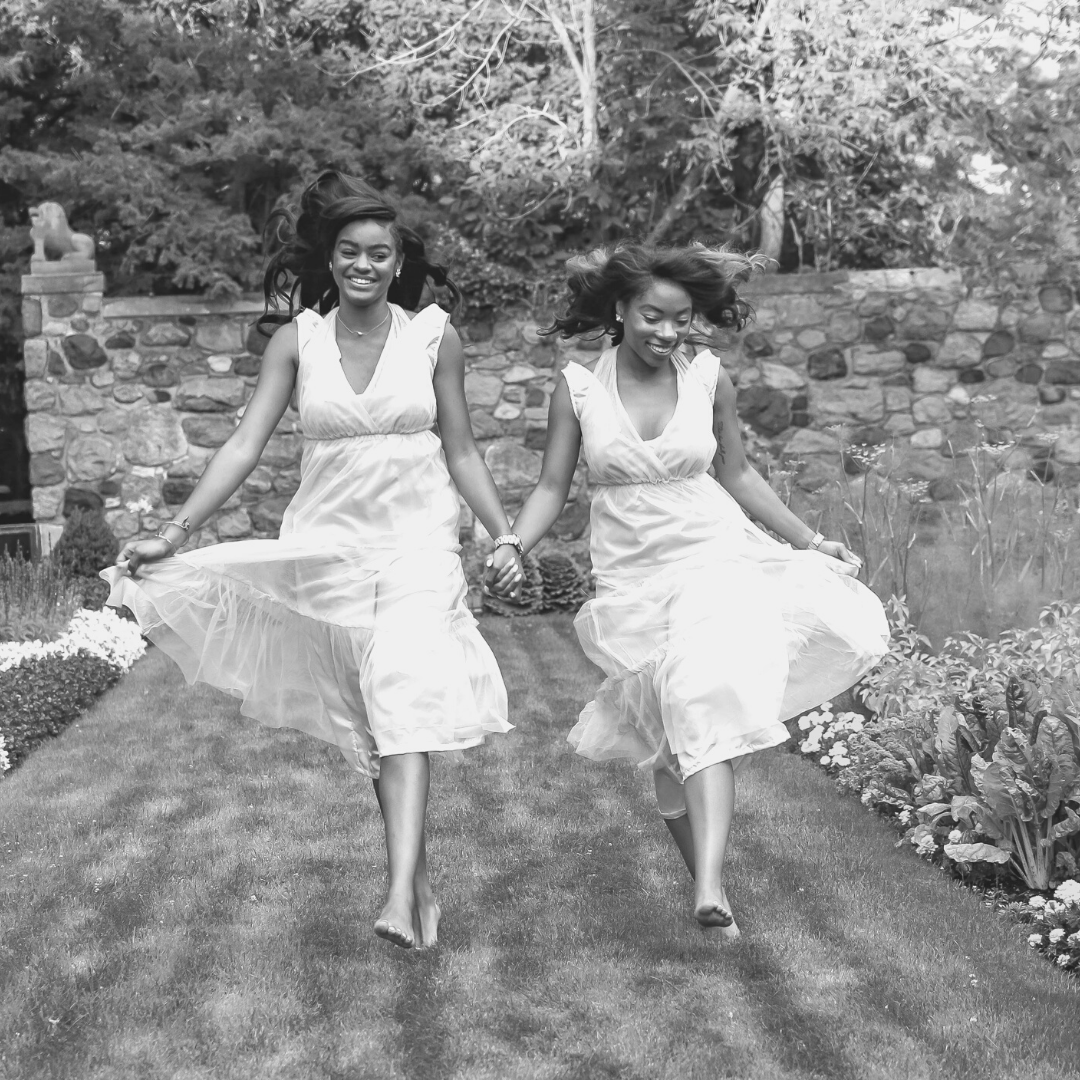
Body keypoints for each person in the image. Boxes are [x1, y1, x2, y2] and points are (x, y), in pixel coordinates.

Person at [103, 171, 524, 950]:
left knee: (401, 690)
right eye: (350, 251)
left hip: (419, 541)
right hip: (329, 547)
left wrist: (503, 535)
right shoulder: (297, 342)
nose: (364, 264)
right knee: (376, 715)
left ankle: (395, 895)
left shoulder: (435, 336)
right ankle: (420, 890)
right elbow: (244, 443)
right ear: (330, 259)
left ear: (399, 263)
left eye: (379, 253)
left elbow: (462, 449)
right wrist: (175, 532)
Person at [492, 242, 889, 938]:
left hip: (713, 557)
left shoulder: (707, 377)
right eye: (653, 316)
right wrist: (512, 543)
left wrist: (810, 540)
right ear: (621, 309)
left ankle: (708, 885)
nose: (668, 332)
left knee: (701, 696)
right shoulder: (578, 388)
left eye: (682, 319)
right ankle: (714, 898)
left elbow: (738, 474)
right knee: (669, 735)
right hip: (632, 578)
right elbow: (553, 486)